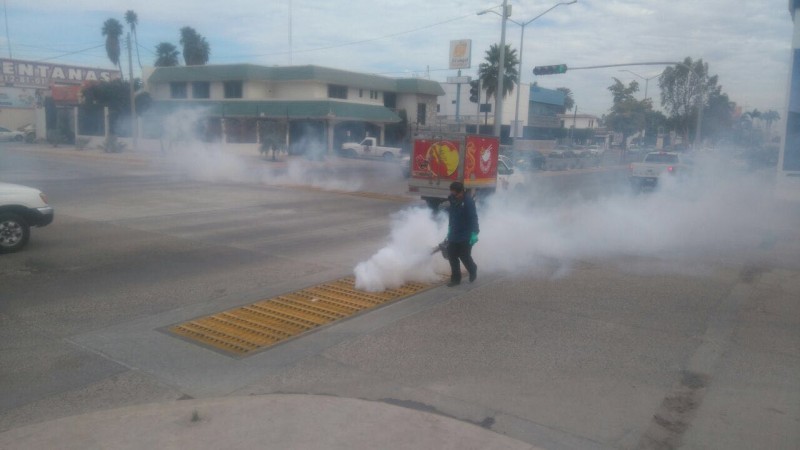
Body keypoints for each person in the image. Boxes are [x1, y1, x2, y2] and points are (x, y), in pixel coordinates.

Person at [445, 181, 479, 287]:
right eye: (452, 193)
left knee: (464, 256)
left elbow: (473, 217)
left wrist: (475, 232)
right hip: (454, 232)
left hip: (466, 233)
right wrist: (450, 228)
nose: (452, 195)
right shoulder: (452, 199)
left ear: (461, 193)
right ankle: (455, 279)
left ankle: (472, 269)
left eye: (454, 193)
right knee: (452, 255)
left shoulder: (468, 202)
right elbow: (452, 214)